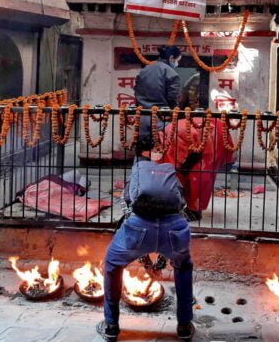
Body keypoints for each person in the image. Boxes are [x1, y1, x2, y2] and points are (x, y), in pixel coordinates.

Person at [98, 137, 195, 342]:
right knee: (183, 267)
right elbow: (182, 201)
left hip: (139, 228)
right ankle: (184, 326)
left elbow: (128, 200)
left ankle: (111, 325)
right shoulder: (169, 171)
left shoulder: (137, 172)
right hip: (175, 230)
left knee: (113, 264)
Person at [133, 45, 182, 142]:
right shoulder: (171, 74)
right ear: (171, 58)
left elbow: (137, 91)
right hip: (161, 118)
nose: (177, 63)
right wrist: (173, 113)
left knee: (142, 149)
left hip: (142, 116)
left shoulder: (144, 70)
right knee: (160, 149)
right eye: (178, 60)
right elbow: (172, 98)